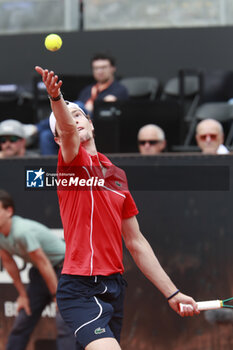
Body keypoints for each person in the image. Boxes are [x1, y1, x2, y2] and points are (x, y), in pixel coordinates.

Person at [35, 65, 199, 350]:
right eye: (65, 122)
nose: (73, 122)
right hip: (80, 288)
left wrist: (172, 293)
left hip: (114, 287)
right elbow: (69, 132)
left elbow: (136, 242)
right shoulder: (72, 165)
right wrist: (56, 98)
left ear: (92, 123)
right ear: (59, 141)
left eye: (79, 115)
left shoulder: (116, 175)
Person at [0, 189, 79, 350]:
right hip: (40, 273)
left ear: (9, 211)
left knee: (63, 323)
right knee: (23, 319)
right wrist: (23, 295)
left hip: (65, 270)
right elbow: (8, 262)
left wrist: (58, 296)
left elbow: (44, 263)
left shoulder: (22, 231)